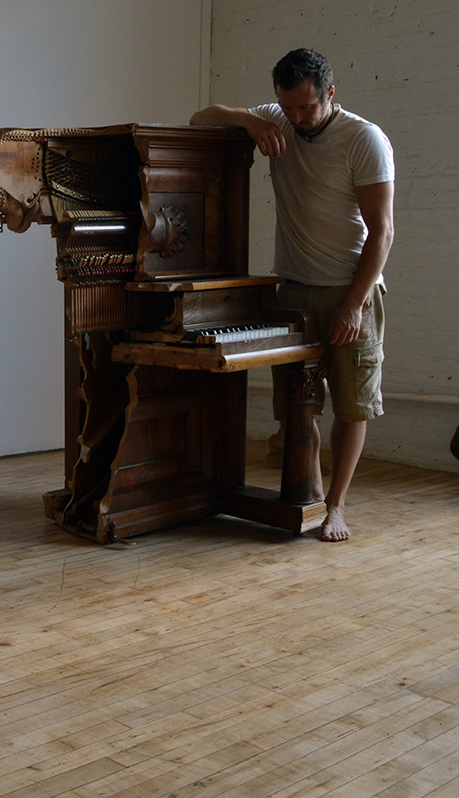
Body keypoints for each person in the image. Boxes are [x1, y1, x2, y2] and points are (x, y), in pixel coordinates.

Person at [190, 48, 395, 542]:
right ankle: (316, 497)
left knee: (352, 405)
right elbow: (200, 118)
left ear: (330, 93)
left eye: (307, 108)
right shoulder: (276, 118)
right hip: (296, 289)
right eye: (288, 108)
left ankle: (338, 507)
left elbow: (382, 232)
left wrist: (353, 304)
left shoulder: (364, 139)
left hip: (352, 288)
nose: (298, 119)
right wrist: (251, 121)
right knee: (300, 404)